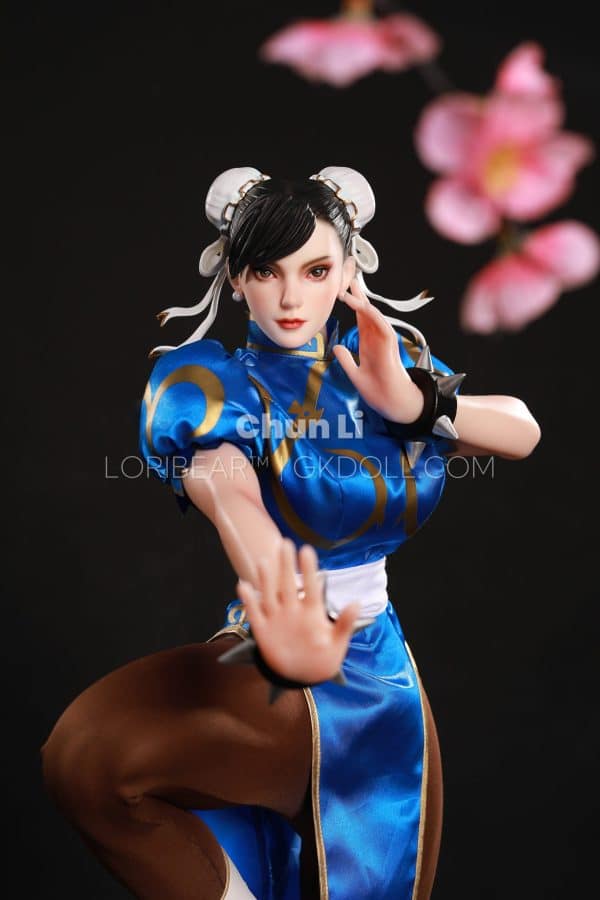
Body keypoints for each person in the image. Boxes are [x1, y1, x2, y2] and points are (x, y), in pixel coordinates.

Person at [40, 166, 541, 900]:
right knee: (90, 758)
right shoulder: (218, 386)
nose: (289, 297)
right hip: (277, 643)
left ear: (349, 271)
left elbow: (522, 430)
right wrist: (276, 583)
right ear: (234, 278)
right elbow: (226, 486)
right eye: (265, 271)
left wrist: (417, 403)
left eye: (314, 271)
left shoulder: (385, 372)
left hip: (379, 672)